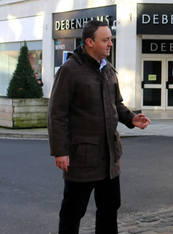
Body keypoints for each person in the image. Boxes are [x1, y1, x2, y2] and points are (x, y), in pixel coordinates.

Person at [48, 20, 151, 234]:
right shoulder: (70, 70)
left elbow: (117, 104)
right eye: (105, 40)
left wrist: (131, 118)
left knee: (109, 208)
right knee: (73, 212)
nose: (110, 44)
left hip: (110, 155)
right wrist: (60, 151)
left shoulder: (109, 69)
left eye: (110, 39)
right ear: (89, 42)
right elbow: (56, 114)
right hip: (82, 157)